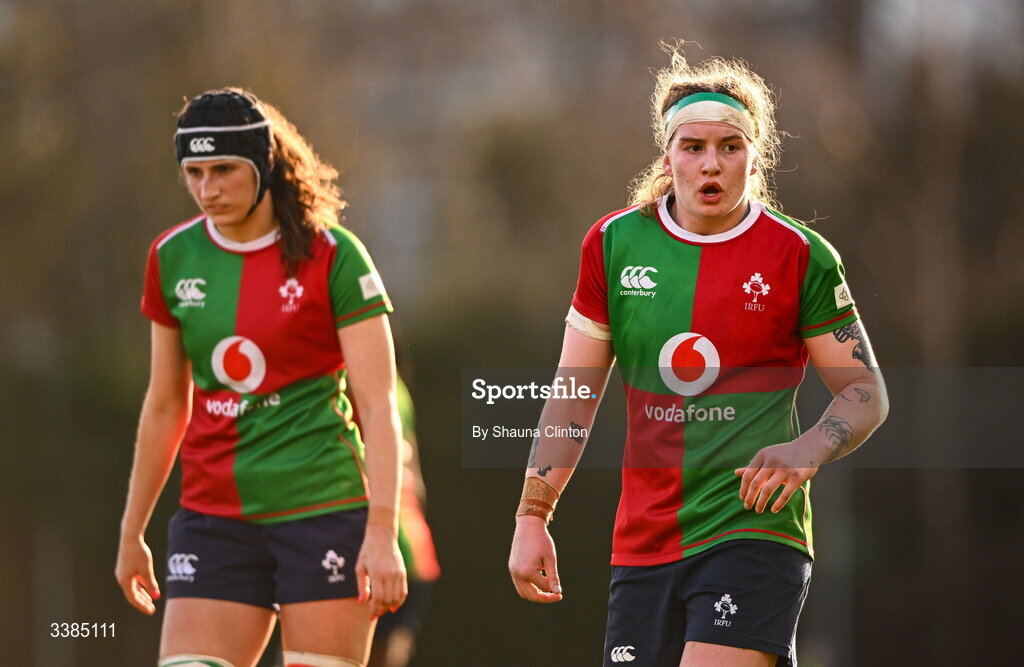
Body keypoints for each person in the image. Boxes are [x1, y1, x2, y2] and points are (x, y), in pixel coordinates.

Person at [508, 46, 888, 667]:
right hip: (643, 542)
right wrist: (532, 515)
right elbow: (573, 394)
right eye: (694, 147)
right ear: (668, 156)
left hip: (753, 527)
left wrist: (807, 449)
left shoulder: (800, 255)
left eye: (729, 147)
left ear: (753, 155)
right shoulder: (612, 244)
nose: (711, 164)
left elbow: (865, 391)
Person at [115, 88, 407, 667]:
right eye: (193, 172)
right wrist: (132, 532)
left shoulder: (335, 256)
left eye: (223, 169)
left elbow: (378, 407)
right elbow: (165, 405)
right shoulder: (171, 258)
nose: (207, 189)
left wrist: (381, 532)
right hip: (213, 519)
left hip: (323, 510)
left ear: (263, 164)